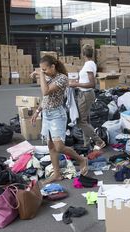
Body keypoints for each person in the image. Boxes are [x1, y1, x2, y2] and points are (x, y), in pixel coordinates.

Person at [30, 55, 88, 183]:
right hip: (46, 114)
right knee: (50, 146)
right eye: (42, 69)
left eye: (45, 69)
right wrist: (37, 111)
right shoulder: (48, 77)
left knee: (59, 147)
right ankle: (57, 174)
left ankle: (81, 160)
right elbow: (46, 99)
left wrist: (40, 75)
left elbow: (45, 92)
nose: (43, 72)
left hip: (57, 115)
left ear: (53, 66)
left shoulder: (62, 79)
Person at [68, 44, 106, 150]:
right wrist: (77, 82)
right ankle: (86, 144)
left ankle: (99, 141)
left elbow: (92, 84)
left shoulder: (89, 65)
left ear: (83, 53)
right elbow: (86, 81)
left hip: (86, 94)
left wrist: (76, 84)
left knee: (81, 122)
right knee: (86, 120)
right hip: (85, 94)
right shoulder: (90, 64)